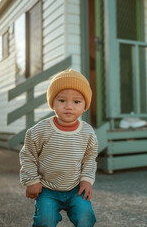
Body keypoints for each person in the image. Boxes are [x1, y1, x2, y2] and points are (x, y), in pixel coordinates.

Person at [19, 69, 98, 227]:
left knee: (86, 217)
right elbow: (28, 155)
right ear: (52, 103)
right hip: (47, 189)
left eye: (76, 102)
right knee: (44, 221)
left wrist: (86, 181)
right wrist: (31, 180)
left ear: (85, 106)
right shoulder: (40, 130)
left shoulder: (87, 132)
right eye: (62, 100)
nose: (69, 106)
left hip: (76, 188)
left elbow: (90, 158)